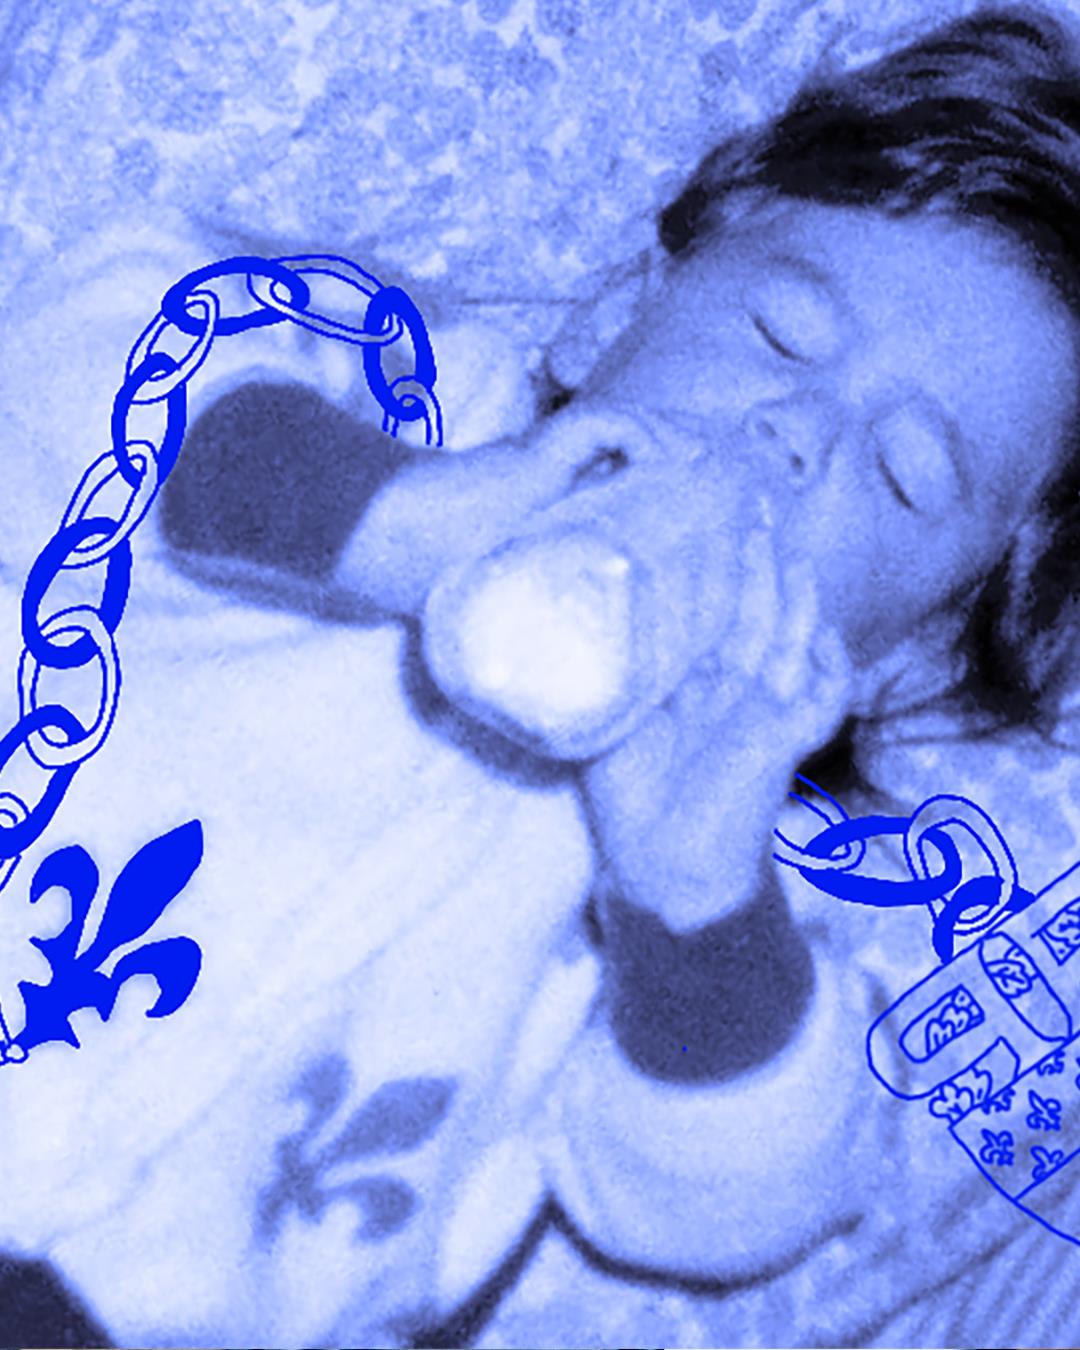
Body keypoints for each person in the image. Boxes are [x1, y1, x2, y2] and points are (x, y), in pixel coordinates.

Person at [2, 4, 1080, 1348]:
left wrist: (688, 892)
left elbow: (729, 1205)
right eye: (782, 334)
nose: (796, 430)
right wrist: (384, 520)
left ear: (903, 663)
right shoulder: (407, 399)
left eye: (903, 474)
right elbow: (90, 345)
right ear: (617, 312)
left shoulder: (752, 868)